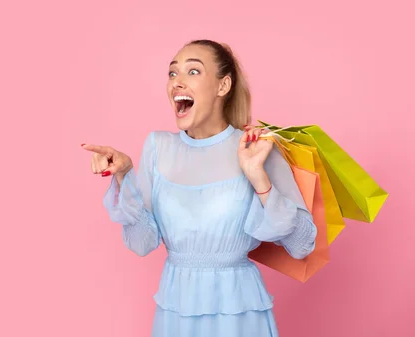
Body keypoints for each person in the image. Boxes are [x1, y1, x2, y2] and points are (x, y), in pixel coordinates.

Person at [82, 40, 317, 337]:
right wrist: (123, 177)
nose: (177, 82)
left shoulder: (255, 148)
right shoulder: (158, 146)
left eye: (193, 71)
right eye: (171, 74)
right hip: (176, 309)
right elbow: (142, 243)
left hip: (239, 312)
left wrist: (257, 176)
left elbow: (301, 245)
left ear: (223, 86)